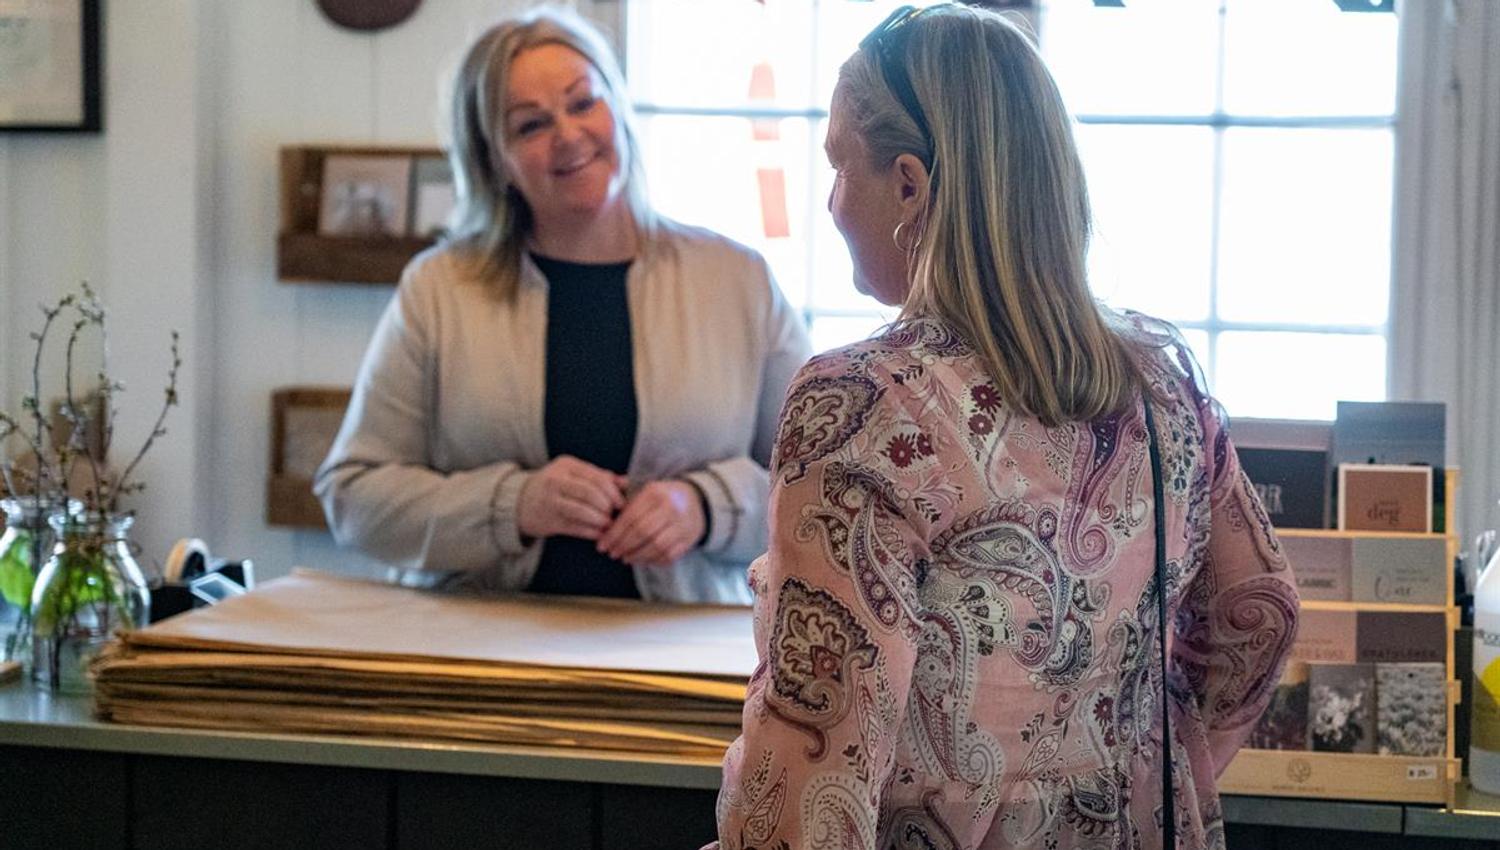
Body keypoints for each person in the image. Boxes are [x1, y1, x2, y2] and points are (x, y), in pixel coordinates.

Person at [712, 5, 1299, 848]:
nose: (834, 203)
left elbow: (814, 772)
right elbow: (1261, 610)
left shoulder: (862, 406)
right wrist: (1140, 761)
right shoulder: (1164, 386)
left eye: (840, 168)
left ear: (909, 185)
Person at [315, 8, 811, 604]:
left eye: (583, 103)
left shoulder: (739, 279)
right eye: (530, 125)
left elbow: (819, 490)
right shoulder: (440, 289)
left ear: (617, 109)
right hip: (480, 652)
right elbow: (353, 497)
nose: (569, 136)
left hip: (681, 654)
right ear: (492, 159)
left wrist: (706, 505)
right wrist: (512, 505)